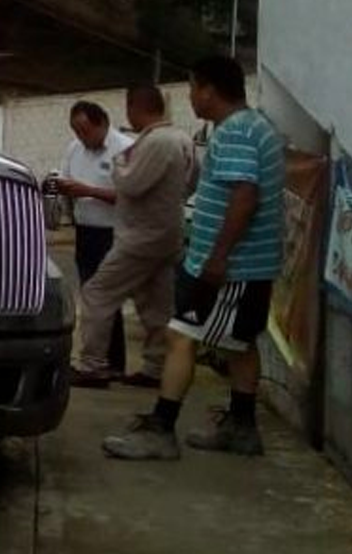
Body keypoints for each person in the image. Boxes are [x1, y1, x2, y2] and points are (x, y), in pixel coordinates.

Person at [104, 56, 285, 460]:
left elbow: (245, 195)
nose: (190, 98)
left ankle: (162, 429)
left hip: (230, 267)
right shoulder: (253, 127)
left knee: (182, 337)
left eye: (192, 88)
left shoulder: (236, 131)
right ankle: (242, 427)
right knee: (237, 345)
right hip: (244, 265)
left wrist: (217, 258)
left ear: (209, 89)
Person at [68, 85, 194, 389]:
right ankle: (155, 366)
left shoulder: (152, 142)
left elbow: (131, 184)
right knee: (155, 304)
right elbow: (192, 182)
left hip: (140, 236)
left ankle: (93, 365)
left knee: (98, 293)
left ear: (135, 108)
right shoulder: (182, 139)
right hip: (167, 232)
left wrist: (120, 164)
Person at [56, 101, 132, 378]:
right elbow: (63, 178)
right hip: (85, 229)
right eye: (76, 131)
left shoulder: (124, 148)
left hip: (114, 231)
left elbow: (130, 195)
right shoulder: (74, 148)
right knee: (92, 294)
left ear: (102, 123)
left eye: (86, 131)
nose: (81, 137)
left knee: (103, 297)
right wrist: (62, 189)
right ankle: (108, 361)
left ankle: (102, 362)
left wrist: (88, 190)